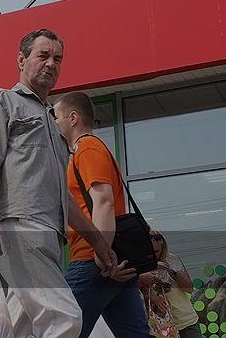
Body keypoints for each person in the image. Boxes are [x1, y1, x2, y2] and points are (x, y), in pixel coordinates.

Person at [0, 28, 118, 338]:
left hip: (49, 235)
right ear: (21, 60)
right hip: (21, 225)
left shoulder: (53, 123)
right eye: (43, 55)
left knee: (20, 329)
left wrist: (99, 242)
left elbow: (64, 198)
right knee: (64, 318)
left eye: (57, 58)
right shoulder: (4, 100)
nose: (51, 63)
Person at [54, 91, 152, 337]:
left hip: (92, 260)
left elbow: (104, 202)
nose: (53, 123)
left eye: (56, 117)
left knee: (62, 331)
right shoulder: (92, 149)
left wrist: (102, 256)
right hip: (111, 262)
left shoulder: (86, 148)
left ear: (73, 118)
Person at [142, 231, 199, 338]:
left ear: (163, 249)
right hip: (159, 325)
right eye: (149, 251)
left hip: (185, 320)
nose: (153, 255)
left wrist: (170, 270)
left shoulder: (172, 260)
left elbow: (189, 288)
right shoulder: (139, 264)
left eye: (156, 251)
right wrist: (153, 296)